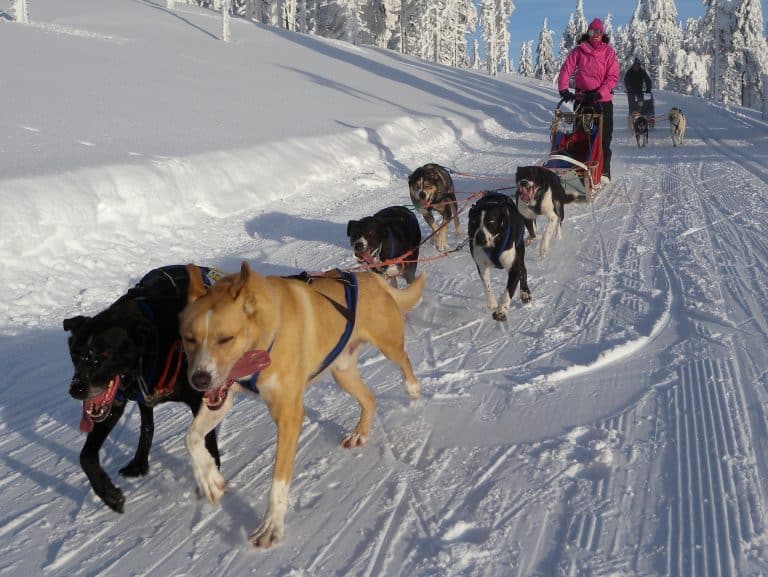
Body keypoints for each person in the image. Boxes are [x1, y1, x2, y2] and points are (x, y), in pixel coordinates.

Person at [557, 18, 619, 184]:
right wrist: (563, 88)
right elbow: (566, 69)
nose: (595, 35)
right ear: (588, 33)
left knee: (604, 136)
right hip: (582, 99)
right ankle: (579, 168)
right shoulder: (579, 51)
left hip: (602, 100)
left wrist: (599, 93)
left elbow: (612, 76)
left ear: (602, 34)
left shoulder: (609, 53)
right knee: (579, 134)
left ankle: (604, 170)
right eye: (592, 32)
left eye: (598, 32)